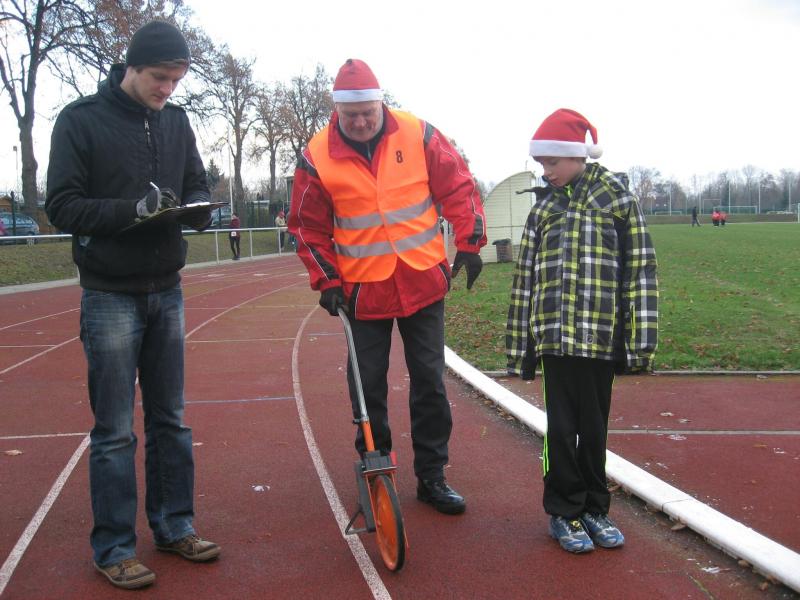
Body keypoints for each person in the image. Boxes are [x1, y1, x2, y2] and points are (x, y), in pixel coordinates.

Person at [45, 20, 220, 590]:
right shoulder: (80, 120)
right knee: (115, 430)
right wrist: (132, 211)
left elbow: (195, 181)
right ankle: (114, 547)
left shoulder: (177, 121)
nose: (167, 89)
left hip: (166, 288)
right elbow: (62, 205)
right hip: (110, 294)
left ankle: (174, 525)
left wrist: (200, 207)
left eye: (176, 80)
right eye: (159, 78)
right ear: (132, 67)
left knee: (171, 420)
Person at [288, 59, 486, 515]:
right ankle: (376, 467)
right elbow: (306, 226)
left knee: (429, 382)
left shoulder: (418, 134)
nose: (360, 122)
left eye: (367, 113)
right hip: (362, 290)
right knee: (366, 386)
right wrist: (326, 279)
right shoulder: (317, 155)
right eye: (350, 115)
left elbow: (458, 186)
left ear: (381, 104)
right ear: (337, 110)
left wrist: (470, 242)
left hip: (423, 280)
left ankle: (432, 475)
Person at [506, 108, 658, 553]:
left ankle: (594, 507)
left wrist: (640, 341)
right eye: (541, 162)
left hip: (600, 336)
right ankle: (564, 510)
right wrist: (520, 347)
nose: (546, 171)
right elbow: (525, 279)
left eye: (552, 161)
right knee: (561, 429)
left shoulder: (618, 202)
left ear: (578, 156)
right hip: (555, 338)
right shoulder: (543, 209)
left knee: (593, 429)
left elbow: (640, 272)